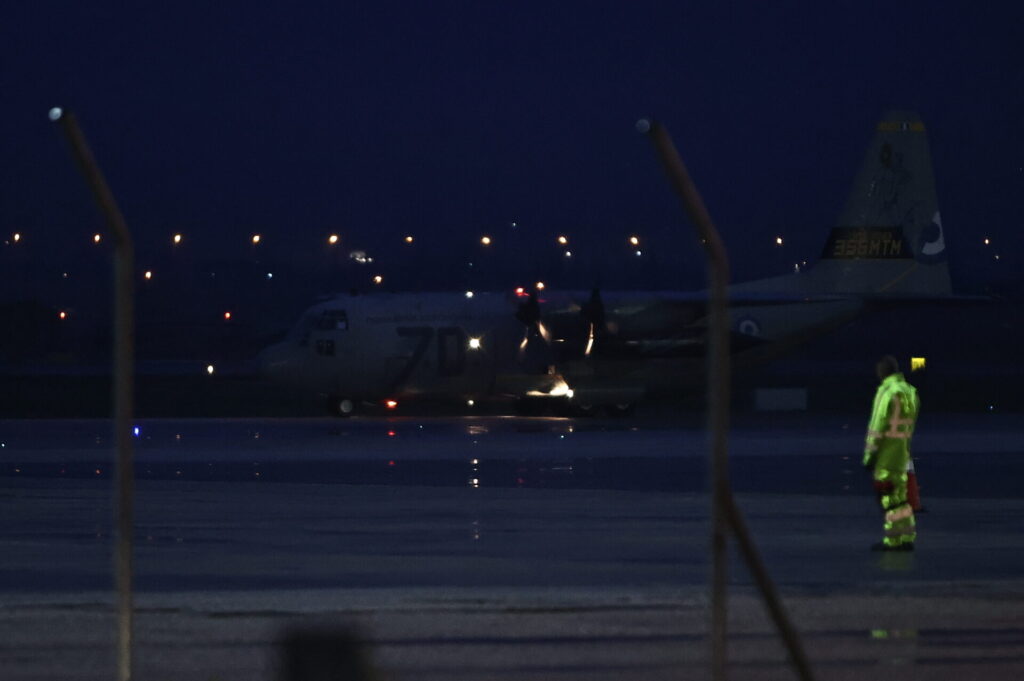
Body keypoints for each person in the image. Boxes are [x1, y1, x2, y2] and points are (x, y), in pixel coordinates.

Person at [863, 355, 919, 551]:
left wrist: (869, 457)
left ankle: (893, 540)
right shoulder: (910, 391)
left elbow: (877, 427)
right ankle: (907, 536)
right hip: (903, 451)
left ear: (883, 372)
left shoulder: (886, 392)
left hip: (887, 454)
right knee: (901, 497)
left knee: (889, 498)